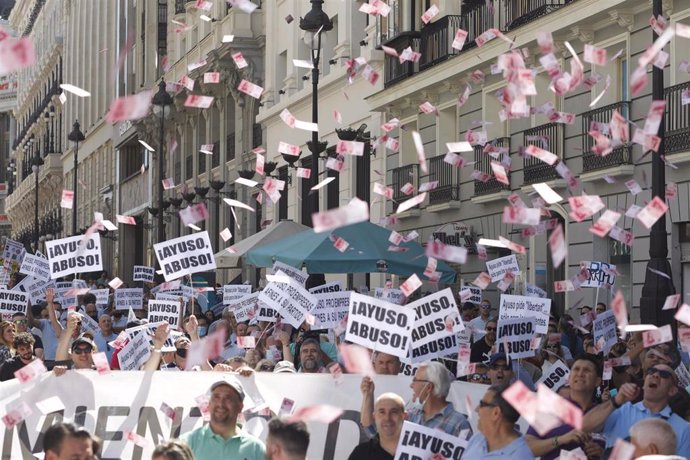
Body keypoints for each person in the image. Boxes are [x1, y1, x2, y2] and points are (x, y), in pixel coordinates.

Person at [582, 363, 690, 454]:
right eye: (652, 371)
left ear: (672, 390)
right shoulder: (622, 410)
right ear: (644, 383)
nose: (655, 375)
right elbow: (584, 426)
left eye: (664, 374)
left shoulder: (683, 428)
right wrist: (615, 401)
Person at [360, 361, 472, 438]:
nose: (411, 385)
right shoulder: (410, 416)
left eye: (415, 380)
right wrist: (368, 395)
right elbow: (373, 431)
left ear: (428, 387)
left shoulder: (460, 424)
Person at [525, 354, 604, 459]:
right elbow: (526, 448)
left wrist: (604, 453)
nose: (580, 374)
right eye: (576, 369)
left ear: (597, 381)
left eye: (587, 370)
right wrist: (561, 439)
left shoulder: (606, 414)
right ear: (569, 378)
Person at [181, 377, 265, 459]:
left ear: (240, 407)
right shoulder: (187, 443)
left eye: (228, 398)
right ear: (209, 404)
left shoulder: (256, 449)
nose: (221, 404)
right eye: (216, 397)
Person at [463, 383, 534, 459]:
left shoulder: (520, 456)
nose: (477, 409)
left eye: (482, 404)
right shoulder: (477, 438)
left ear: (496, 412)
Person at [349, 393, 406, 460]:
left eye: (393, 412)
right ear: (374, 416)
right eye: (382, 412)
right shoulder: (361, 453)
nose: (387, 418)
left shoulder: (418, 451)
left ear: (404, 416)